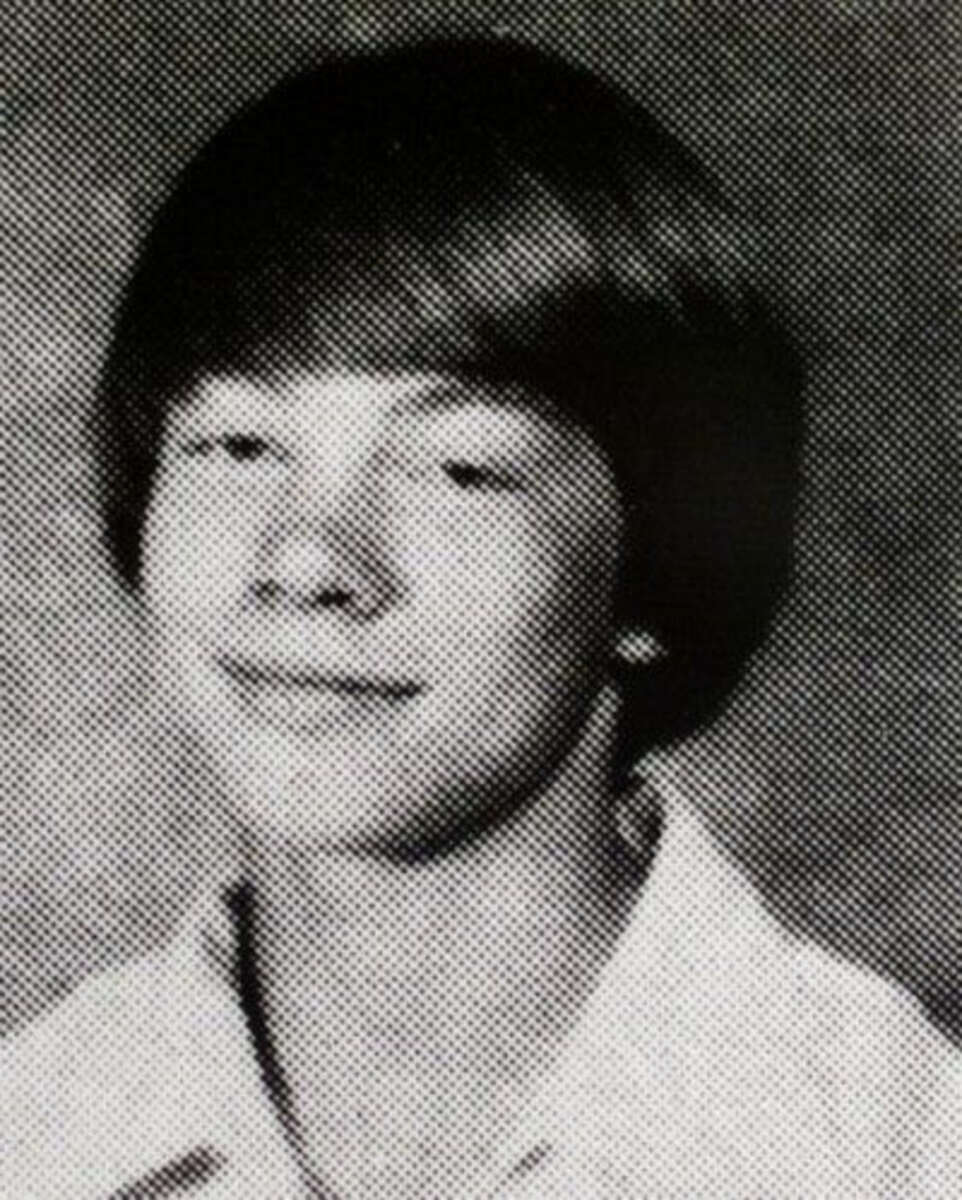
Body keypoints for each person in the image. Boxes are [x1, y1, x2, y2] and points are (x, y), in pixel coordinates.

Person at [2, 37, 958, 1199]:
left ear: (654, 575)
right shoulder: (37, 1132)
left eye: (457, 470)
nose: (307, 560)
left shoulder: (892, 1147)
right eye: (238, 445)